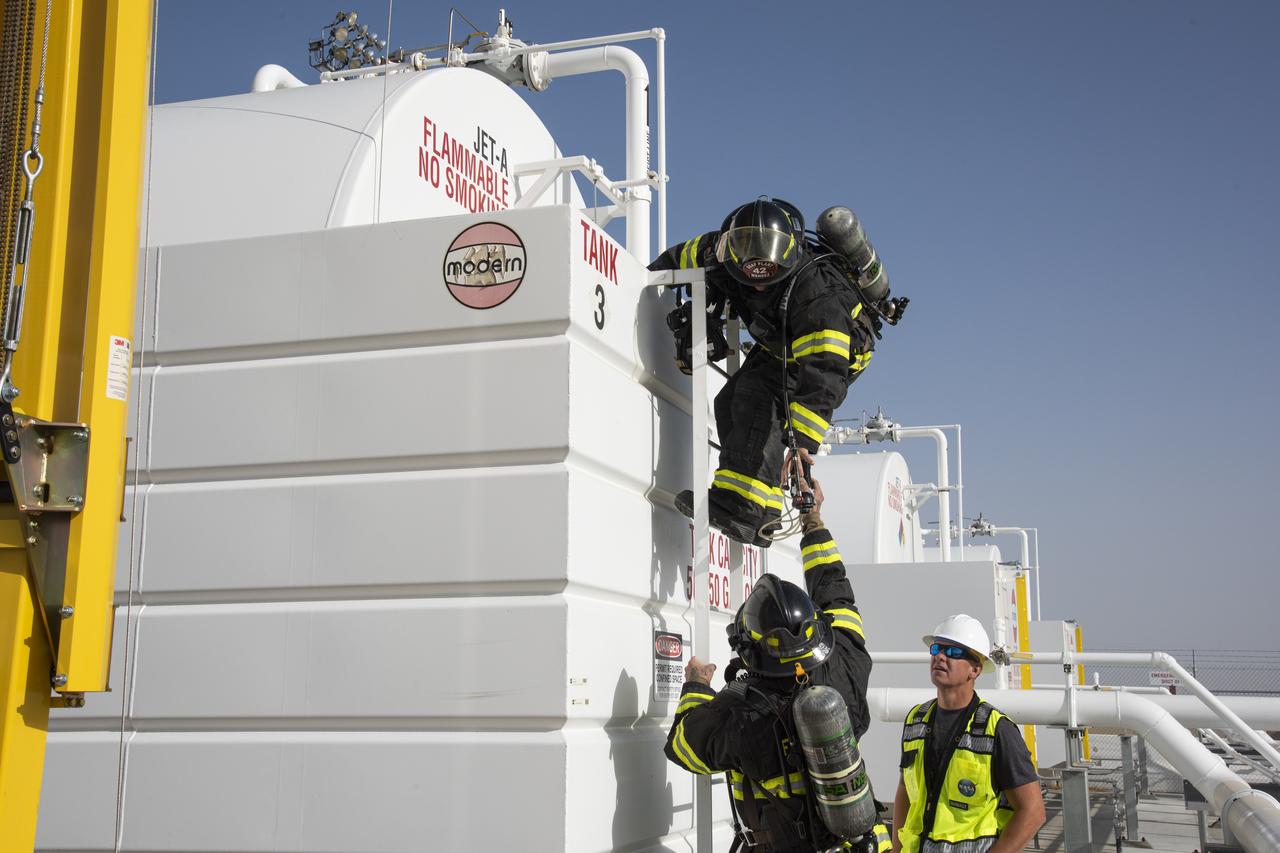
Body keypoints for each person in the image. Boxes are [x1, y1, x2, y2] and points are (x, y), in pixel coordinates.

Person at [650, 198, 905, 548]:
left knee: (756, 396)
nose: (757, 286)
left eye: (766, 276)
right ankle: (760, 506)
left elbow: (825, 374)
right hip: (780, 344)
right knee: (728, 402)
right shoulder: (722, 252)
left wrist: (801, 443)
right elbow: (678, 257)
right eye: (749, 274)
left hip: (838, 355)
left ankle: (743, 505)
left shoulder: (817, 294)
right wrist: (642, 280)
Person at [664, 478, 890, 852]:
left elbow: (683, 746)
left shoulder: (741, 713)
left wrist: (696, 688)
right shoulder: (847, 664)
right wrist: (812, 518)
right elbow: (836, 593)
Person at [891, 615, 1046, 853]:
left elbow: (1033, 812)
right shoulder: (916, 720)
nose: (940, 657)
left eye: (953, 652)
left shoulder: (997, 730)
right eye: (937, 649)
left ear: (975, 670)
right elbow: (905, 791)